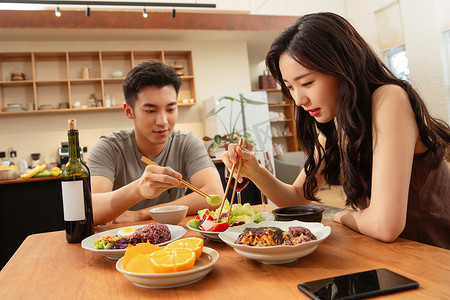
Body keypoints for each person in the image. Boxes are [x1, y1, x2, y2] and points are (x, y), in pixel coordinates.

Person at [222, 12, 450, 249]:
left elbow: (385, 225)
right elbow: (298, 197)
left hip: (434, 256)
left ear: (343, 67)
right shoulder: (337, 124)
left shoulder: (389, 99)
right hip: (392, 255)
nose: (299, 99)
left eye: (307, 83)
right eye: (290, 87)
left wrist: (344, 216)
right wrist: (255, 171)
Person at [87, 61, 223, 225]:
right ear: (129, 111)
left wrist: (142, 214)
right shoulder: (108, 148)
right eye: (151, 111)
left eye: (171, 109)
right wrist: (138, 189)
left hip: (175, 239)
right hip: (122, 242)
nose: (163, 121)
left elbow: (215, 195)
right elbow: (91, 210)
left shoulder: (187, 143)